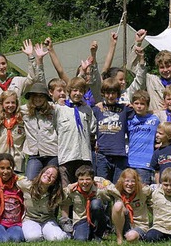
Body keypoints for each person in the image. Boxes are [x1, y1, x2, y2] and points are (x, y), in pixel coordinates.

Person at [55, 77, 97, 232]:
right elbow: (54, 128)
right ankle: (65, 218)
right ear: (69, 92)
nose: (77, 93)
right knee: (66, 189)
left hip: (84, 155)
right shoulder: (59, 109)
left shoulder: (87, 110)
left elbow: (92, 129)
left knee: (85, 187)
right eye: (74, 90)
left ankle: (86, 218)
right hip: (66, 155)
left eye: (81, 91)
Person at [93, 78, 133, 183]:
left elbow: (142, 111)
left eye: (113, 93)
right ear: (103, 93)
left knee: (118, 187)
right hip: (103, 154)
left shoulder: (125, 109)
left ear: (118, 94)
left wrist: (133, 106)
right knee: (103, 187)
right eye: (107, 93)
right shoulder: (97, 109)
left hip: (119, 154)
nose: (110, 96)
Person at [19, 165, 69, 241]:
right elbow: (12, 176)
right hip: (30, 219)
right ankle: (40, 233)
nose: (48, 175)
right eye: (47, 172)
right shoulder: (27, 185)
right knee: (32, 237)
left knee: (58, 238)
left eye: (53, 176)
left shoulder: (56, 194)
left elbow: (69, 189)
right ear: (41, 173)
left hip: (48, 220)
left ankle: (58, 233)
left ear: (54, 182)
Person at [21, 83, 58, 180]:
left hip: (52, 153)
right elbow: (7, 106)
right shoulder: (24, 110)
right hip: (34, 154)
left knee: (52, 182)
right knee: (30, 180)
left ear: (46, 98)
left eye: (41, 96)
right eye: (35, 96)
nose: (38, 99)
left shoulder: (53, 110)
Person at [0, 154, 25, 242]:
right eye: (2, 168)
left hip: (15, 224)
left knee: (16, 239)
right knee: (4, 240)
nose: (5, 171)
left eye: (8, 168)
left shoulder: (19, 184)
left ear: (13, 168)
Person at [100, 30, 148, 105]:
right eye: (120, 79)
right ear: (111, 80)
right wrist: (113, 45)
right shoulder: (104, 94)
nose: (124, 82)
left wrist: (141, 59)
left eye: (124, 79)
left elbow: (140, 80)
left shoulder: (127, 94)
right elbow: (105, 70)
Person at [64, 165, 111, 241]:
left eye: (88, 179)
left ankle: (97, 235)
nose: (85, 182)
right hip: (81, 219)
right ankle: (88, 233)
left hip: (97, 219)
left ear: (93, 180)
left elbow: (113, 189)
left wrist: (103, 184)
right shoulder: (73, 190)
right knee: (80, 239)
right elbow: (61, 200)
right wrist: (68, 189)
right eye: (81, 179)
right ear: (77, 180)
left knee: (96, 204)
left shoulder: (99, 187)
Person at [111, 168, 152, 244]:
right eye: (127, 181)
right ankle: (119, 237)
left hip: (139, 225)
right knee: (118, 205)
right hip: (124, 224)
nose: (130, 184)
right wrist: (99, 182)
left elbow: (158, 187)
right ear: (122, 181)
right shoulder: (116, 191)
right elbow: (101, 184)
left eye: (133, 181)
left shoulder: (143, 191)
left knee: (131, 237)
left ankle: (133, 235)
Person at [127, 90, 160, 184]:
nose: (139, 106)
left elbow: (164, 132)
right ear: (132, 104)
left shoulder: (154, 119)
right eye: (136, 103)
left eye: (142, 104)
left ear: (147, 105)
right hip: (130, 161)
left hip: (146, 162)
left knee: (143, 191)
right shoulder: (129, 119)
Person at [0, 91, 26, 174]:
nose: (10, 105)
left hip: (17, 159)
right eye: (7, 103)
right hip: (0, 158)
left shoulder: (21, 119)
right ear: (2, 104)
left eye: (13, 103)